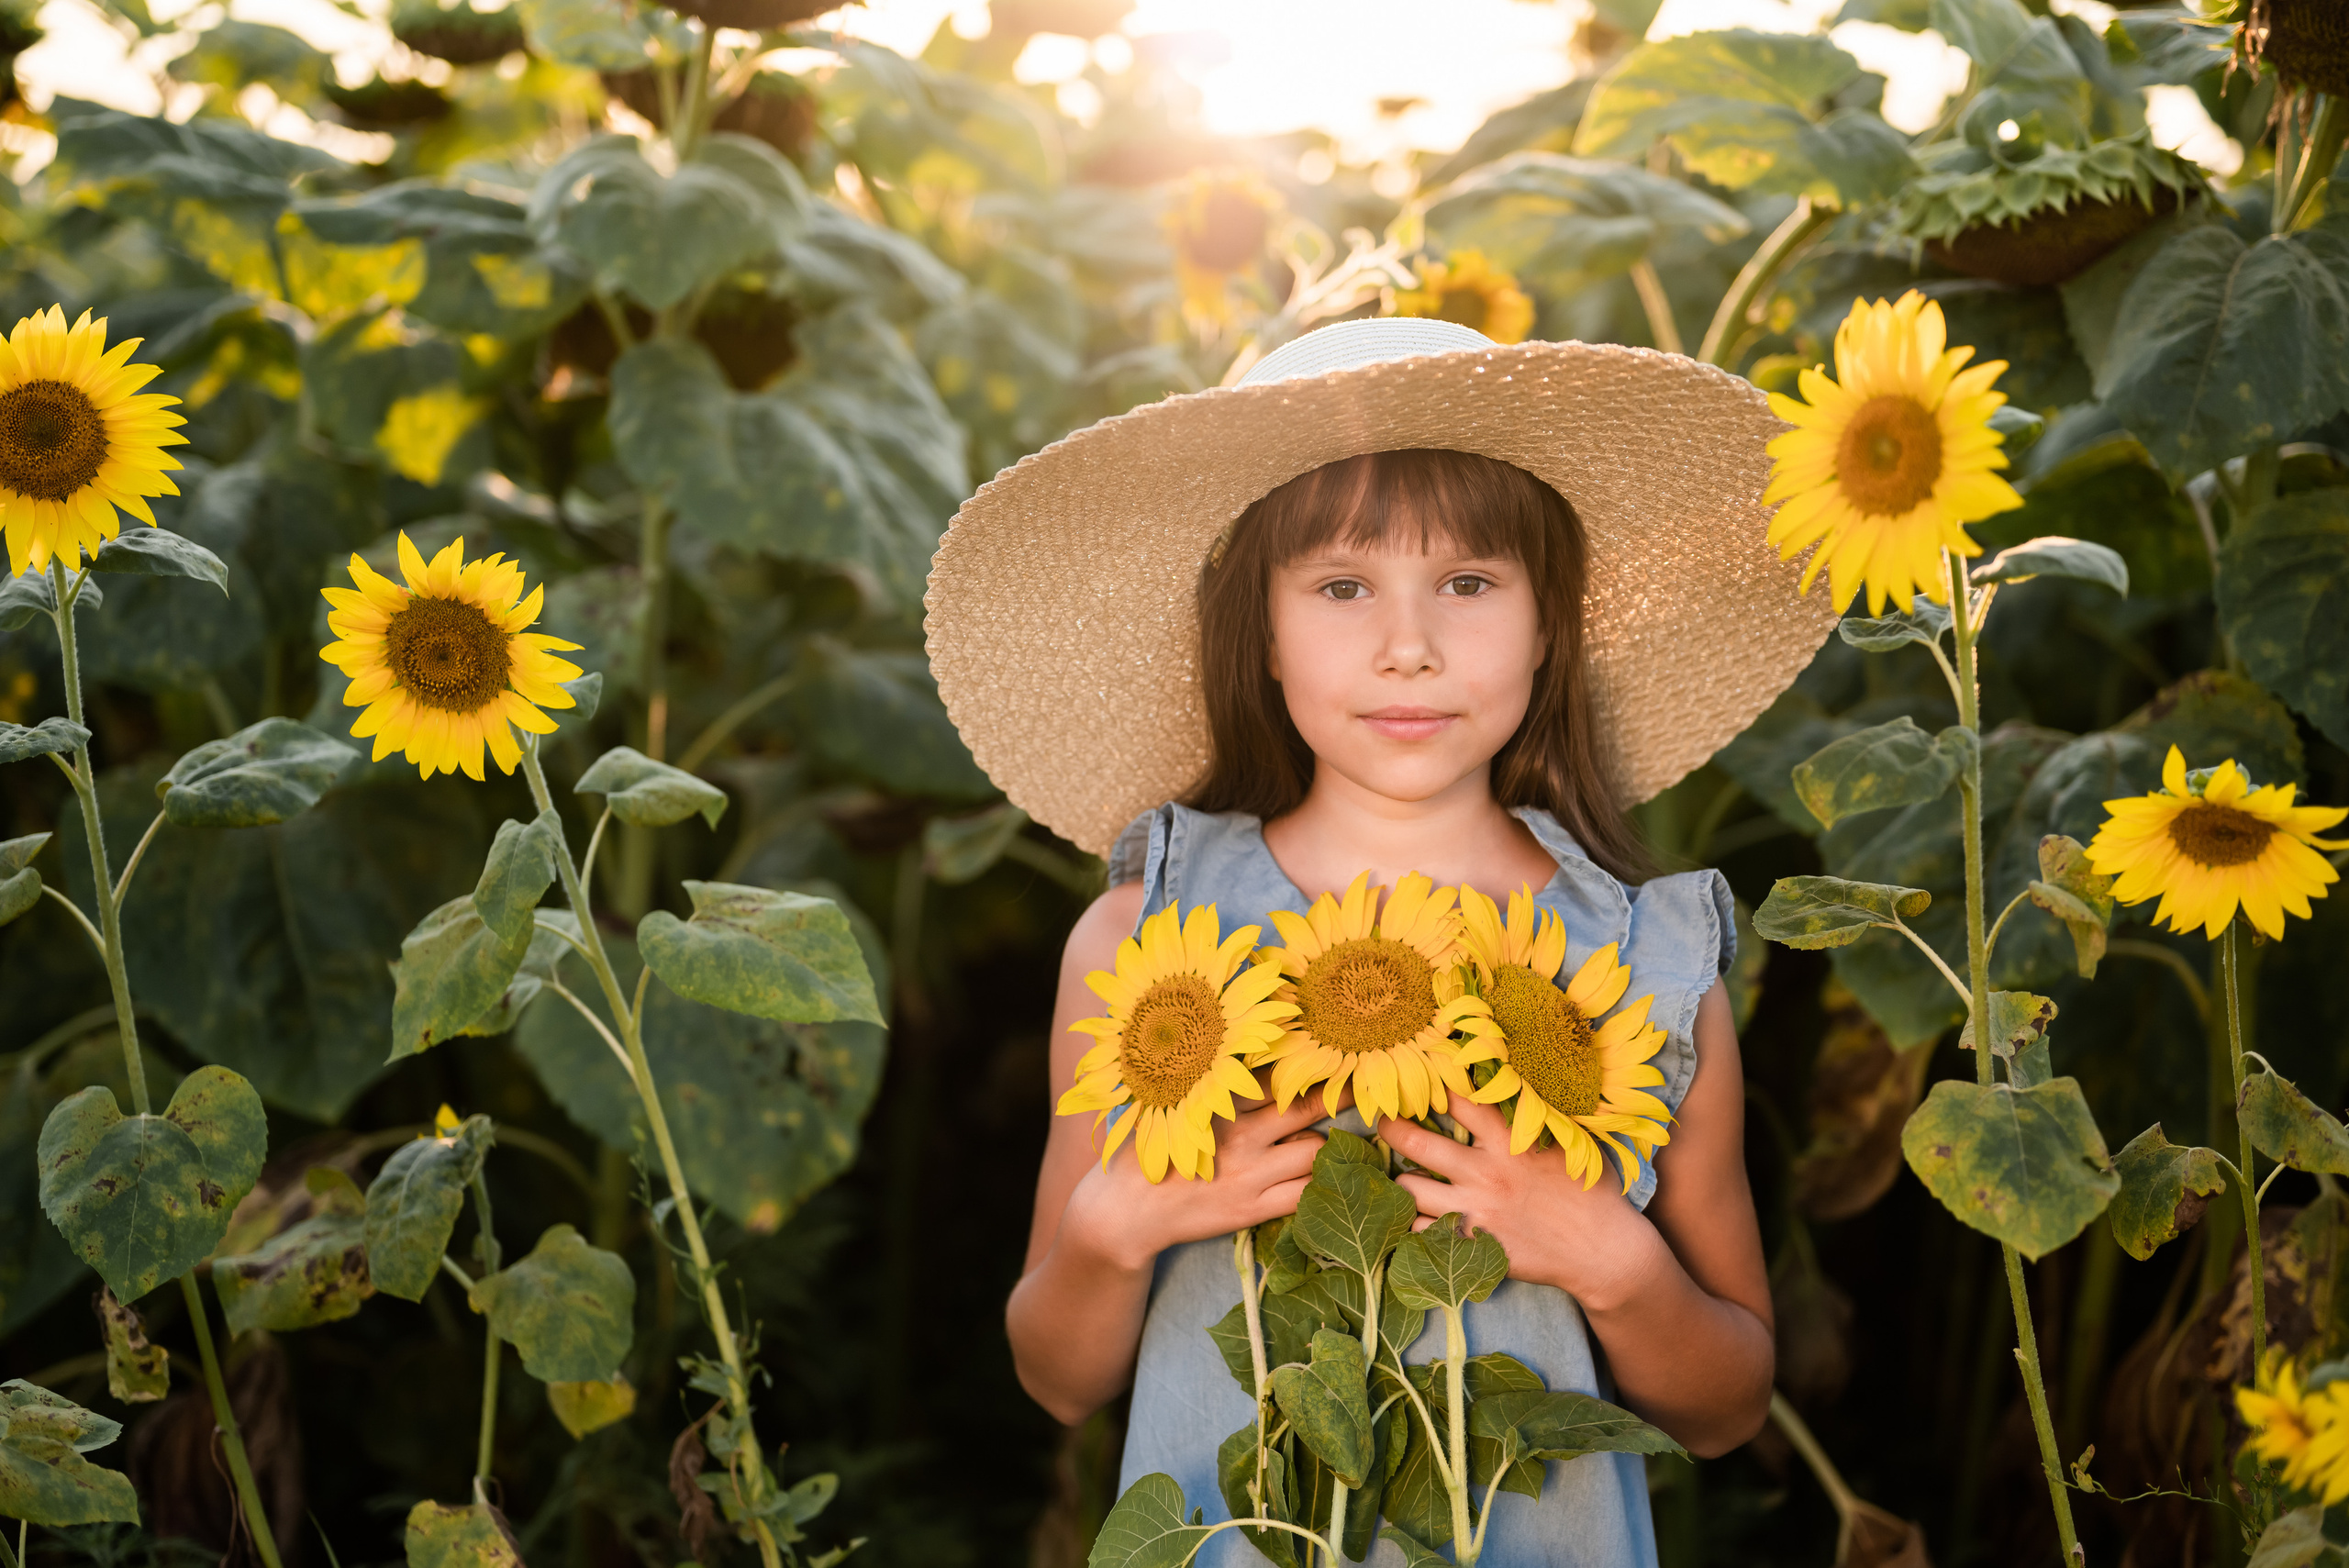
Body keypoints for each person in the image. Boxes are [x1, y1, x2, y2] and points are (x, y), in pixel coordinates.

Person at [924, 317, 1840, 1564]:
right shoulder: (1145, 938)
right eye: (1341, 586)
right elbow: (1055, 1373)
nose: (1408, 643)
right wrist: (1116, 1222)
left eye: (1468, 583)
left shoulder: (1644, 959)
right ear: (1260, 630)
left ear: (1546, 624)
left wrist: (1610, 1257)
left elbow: (1728, 1402)